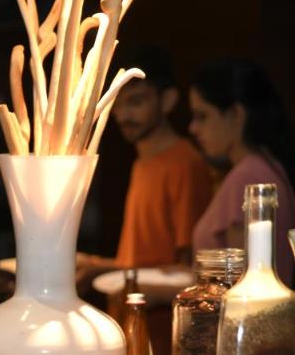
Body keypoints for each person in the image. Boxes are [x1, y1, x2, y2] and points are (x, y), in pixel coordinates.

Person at [76, 46, 213, 277]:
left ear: (167, 100)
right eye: (117, 106)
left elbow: (187, 270)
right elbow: (138, 261)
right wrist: (93, 265)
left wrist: (98, 269)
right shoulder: (142, 163)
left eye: (136, 102)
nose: (123, 116)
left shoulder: (183, 163)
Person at [189, 59, 295, 284]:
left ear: (236, 114)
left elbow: (241, 280)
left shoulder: (249, 177)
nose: (193, 128)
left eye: (203, 116)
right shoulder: (267, 167)